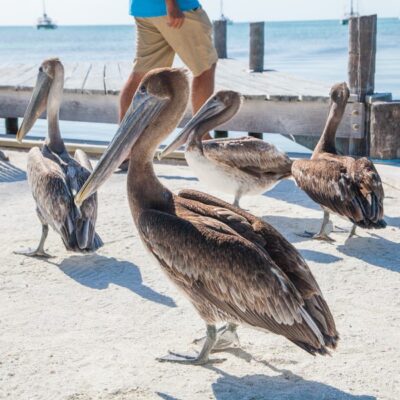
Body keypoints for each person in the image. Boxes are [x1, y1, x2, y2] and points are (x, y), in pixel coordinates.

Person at [120, 0, 218, 139]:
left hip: (143, 9)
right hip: (176, 8)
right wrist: (171, 5)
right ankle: (200, 137)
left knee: (141, 74)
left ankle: (124, 143)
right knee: (205, 68)